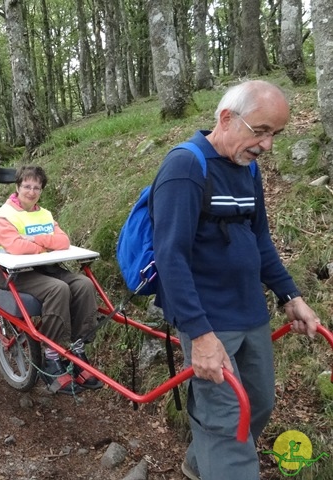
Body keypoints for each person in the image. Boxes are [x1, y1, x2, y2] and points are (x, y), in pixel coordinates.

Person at [150, 80, 322, 480]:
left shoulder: (247, 168)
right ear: (226, 118)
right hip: (209, 319)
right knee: (227, 420)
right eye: (260, 131)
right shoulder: (186, 167)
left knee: (259, 402)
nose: (267, 145)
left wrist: (289, 294)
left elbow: (259, 239)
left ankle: (199, 463)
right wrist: (201, 335)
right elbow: (170, 257)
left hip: (250, 312)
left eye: (275, 135)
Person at [0, 165, 103, 395]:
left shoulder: (45, 214)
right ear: (18, 187)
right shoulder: (3, 216)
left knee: (84, 285)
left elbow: (63, 241)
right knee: (58, 289)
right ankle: (51, 357)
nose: (31, 191)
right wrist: (45, 243)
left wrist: (36, 241)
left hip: (43, 267)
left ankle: (77, 349)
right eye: (27, 186)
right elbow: (17, 248)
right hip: (10, 273)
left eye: (36, 187)